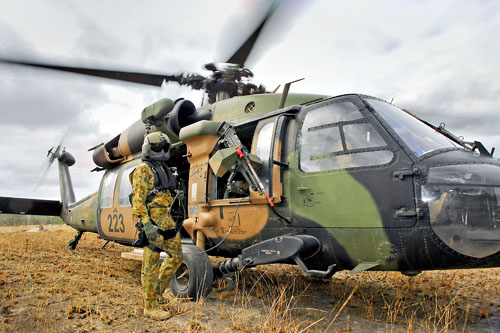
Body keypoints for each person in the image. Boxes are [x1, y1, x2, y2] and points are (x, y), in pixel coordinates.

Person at [129, 132, 183, 320]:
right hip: (152, 223)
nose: (163, 151)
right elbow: (138, 201)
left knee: (176, 257)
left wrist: (177, 196)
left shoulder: (163, 168)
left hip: (167, 221)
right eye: (159, 147)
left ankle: (155, 294)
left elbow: (164, 194)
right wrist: (146, 224)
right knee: (150, 266)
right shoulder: (143, 169)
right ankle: (150, 306)